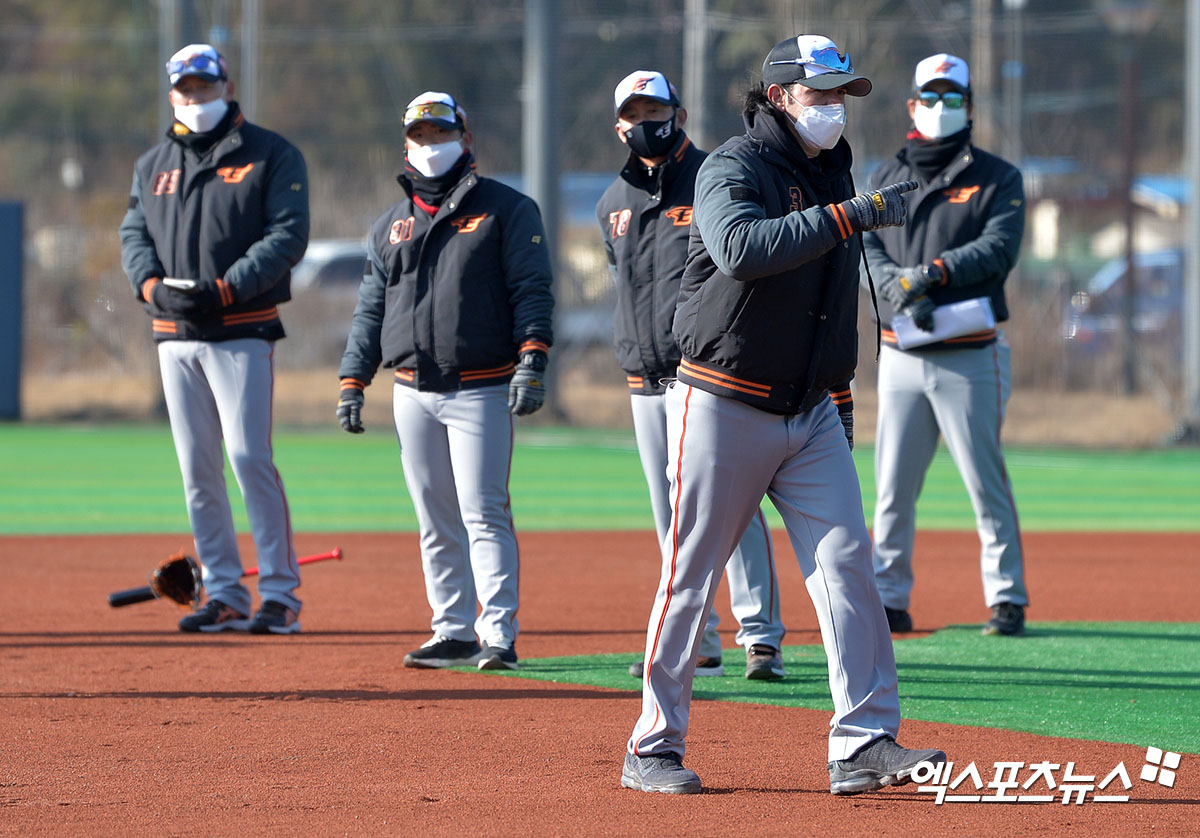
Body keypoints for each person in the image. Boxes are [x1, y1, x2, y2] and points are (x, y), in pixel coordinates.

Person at [621, 34, 945, 796]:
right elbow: (738, 249)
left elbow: (832, 307)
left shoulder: (833, 170)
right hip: (723, 399)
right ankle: (652, 746)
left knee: (849, 571)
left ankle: (862, 742)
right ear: (778, 97)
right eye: (821, 93)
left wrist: (840, 397)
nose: (834, 107)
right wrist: (852, 216)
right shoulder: (731, 165)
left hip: (809, 413)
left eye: (842, 94)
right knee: (691, 578)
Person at [336, 91, 554, 672]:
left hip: (480, 385)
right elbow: (370, 310)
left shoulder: (507, 208)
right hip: (411, 388)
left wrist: (533, 356)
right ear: (406, 144)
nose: (432, 146)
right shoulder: (391, 225)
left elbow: (531, 289)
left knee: (483, 510)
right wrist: (353, 378)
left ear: (466, 135)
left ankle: (499, 635)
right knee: (434, 514)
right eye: (421, 136)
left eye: (441, 133)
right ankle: (452, 628)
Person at [597, 70, 786, 681]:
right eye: (634, 110)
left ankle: (761, 636)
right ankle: (700, 639)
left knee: (734, 506)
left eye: (656, 107)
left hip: (703, 372)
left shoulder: (713, 175)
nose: (646, 119)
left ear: (677, 113)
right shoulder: (612, 204)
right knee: (669, 512)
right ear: (619, 123)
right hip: (642, 377)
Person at [119, 44, 309, 635]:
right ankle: (225, 591)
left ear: (227, 87)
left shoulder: (270, 154)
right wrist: (152, 287)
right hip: (174, 333)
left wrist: (226, 290)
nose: (195, 97)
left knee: (249, 458)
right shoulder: (154, 163)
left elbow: (287, 236)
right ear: (172, 93)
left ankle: (280, 595)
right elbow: (133, 232)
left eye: (205, 86)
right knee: (197, 468)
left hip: (241, 328)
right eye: (185, 88)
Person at [864, 54, 1029, 638]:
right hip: (903, 350)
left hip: (969, 351)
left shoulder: (997, 175)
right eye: (930, 96)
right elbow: (869, 246)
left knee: (985, 481)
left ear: (969, 106)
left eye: (952, 97)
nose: (940, 107)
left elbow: (999, 249)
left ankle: (1007, 597)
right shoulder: (885, 177)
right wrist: (893, 284)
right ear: (911, 105)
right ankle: (889, 598)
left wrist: (932, 274)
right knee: (891, 487)